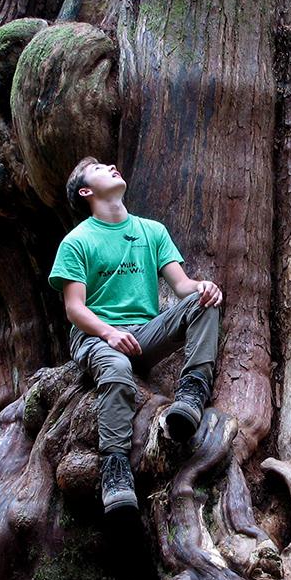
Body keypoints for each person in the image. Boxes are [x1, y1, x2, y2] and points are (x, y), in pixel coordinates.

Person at [49, 157, 222, 514]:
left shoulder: (151, 231)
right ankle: (115, 467)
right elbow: (74, 308)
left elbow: (182, 286)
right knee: (114, 366)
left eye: (110, 165)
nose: (111, 166)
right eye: (99, 169)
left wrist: (204, 288)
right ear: (86, 191)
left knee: (204, 305)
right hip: (97, 336)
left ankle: (191, 393)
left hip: (144, 333)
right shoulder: (77, 241)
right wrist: (108, 333)